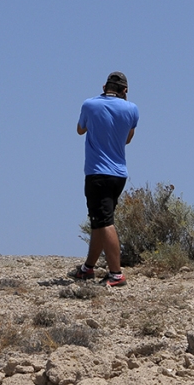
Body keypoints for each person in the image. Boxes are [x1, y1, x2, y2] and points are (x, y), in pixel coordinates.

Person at [71, 72, 139, 287]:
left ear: (104, 86)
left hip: (97, 172)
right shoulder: (132, 109)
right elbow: (127, 139)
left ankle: (116, 273)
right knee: (98, 221)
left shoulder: (90, 105)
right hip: (119, 174)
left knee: (105, 222)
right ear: (124, 90)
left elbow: (80, 130)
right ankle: (88, 268)